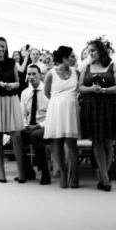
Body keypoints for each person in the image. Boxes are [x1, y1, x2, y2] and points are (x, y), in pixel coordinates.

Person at [78, 37, 116, 192]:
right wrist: (92, 89)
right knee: (97, 142)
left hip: (109, 107)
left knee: (109, 143)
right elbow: (80, 87)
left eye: (93, 50)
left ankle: (104, 175)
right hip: (92, 108)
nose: (90, 53)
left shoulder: (113, 66)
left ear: (101, 50)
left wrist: (104, 90)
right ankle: (105, 178)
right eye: (89, 51)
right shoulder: (86, 67)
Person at [0, 36, 27, 183]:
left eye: (3, 46)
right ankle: (1, 171)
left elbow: (17, 82)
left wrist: (13, 85)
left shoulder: (11, 62)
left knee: (16, 134)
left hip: (11, 99)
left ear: (6, 48)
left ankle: (22, 172)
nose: (1, 49)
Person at [43, 45, 80, 188]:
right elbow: (47, 93)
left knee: (72, 144)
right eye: (72, 56)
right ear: (64, 58)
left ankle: (74, 175)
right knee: (57, 143)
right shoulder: (51, 73)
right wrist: (58, 101)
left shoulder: (76, 71)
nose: (74, 58)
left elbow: (78, 89)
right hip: (56, 110)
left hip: (71, 110)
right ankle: (63, 174)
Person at [19, 64, 50, 185]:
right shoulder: (25, 93)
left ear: (40, 75)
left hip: (45, 127)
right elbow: (23, 114)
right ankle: (28, 172)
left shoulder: (48, 91)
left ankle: (45, 174)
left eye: (34, 74)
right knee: (17, 135)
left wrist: (39, 125)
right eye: (29, 74)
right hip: (30, 127)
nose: (31, 76)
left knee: (36, 135)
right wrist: (25, 125)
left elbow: (52, 116)